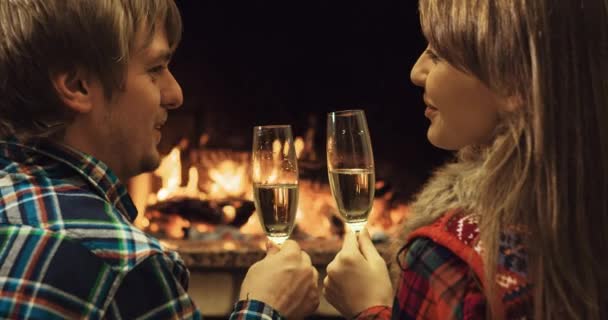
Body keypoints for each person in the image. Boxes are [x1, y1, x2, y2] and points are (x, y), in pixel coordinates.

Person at [0, 1, 319, 319]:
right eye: (155, 69)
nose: (176, 93)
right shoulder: (123, 264)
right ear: (78, 85)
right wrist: (269, 309)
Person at [322, 0, 608, 319]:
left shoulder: (449, 260)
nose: (416, 72)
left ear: (513, 80)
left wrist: (368, 308)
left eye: (439, 53)